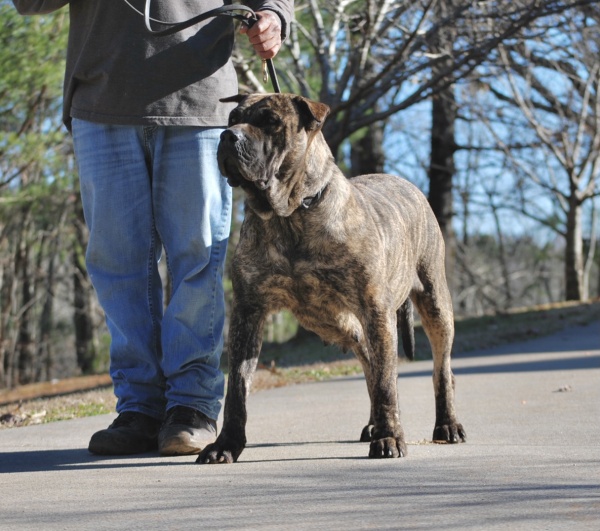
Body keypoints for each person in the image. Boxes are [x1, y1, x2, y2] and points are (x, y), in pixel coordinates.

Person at [12, 0, 294, 456]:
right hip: (101, 99)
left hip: (198, 100)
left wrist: (275, 15)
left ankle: (192, 406)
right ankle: (139, 408)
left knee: (197, 256)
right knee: (117, 263)